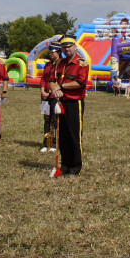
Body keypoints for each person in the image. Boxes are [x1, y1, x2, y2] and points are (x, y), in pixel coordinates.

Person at [48, 37, 88, 175]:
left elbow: (80, 83)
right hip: (61, 102)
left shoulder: (81, 63)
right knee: (62, 135)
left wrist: (61, 86)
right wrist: (54, 89)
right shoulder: (60, 63)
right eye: (64, 47)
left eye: (69, 46)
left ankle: (75, 166)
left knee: (74, 134)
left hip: (74, 102)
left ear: (75, 47)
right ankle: (65, 164)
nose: (67, 49)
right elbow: (52, 80)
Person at [39, 42, 62, 152]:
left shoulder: (61, 64)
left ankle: (55, 144)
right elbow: (43, 78)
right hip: (45, 97)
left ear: (58, 52)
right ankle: (46, 142)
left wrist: (51, 92)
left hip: (54, 96)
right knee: (46, 119)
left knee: (56, 120)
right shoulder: (47, 64)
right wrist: (42, 90)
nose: (50, 54)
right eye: (49, 52)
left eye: (52, 52)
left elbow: (59, 81)